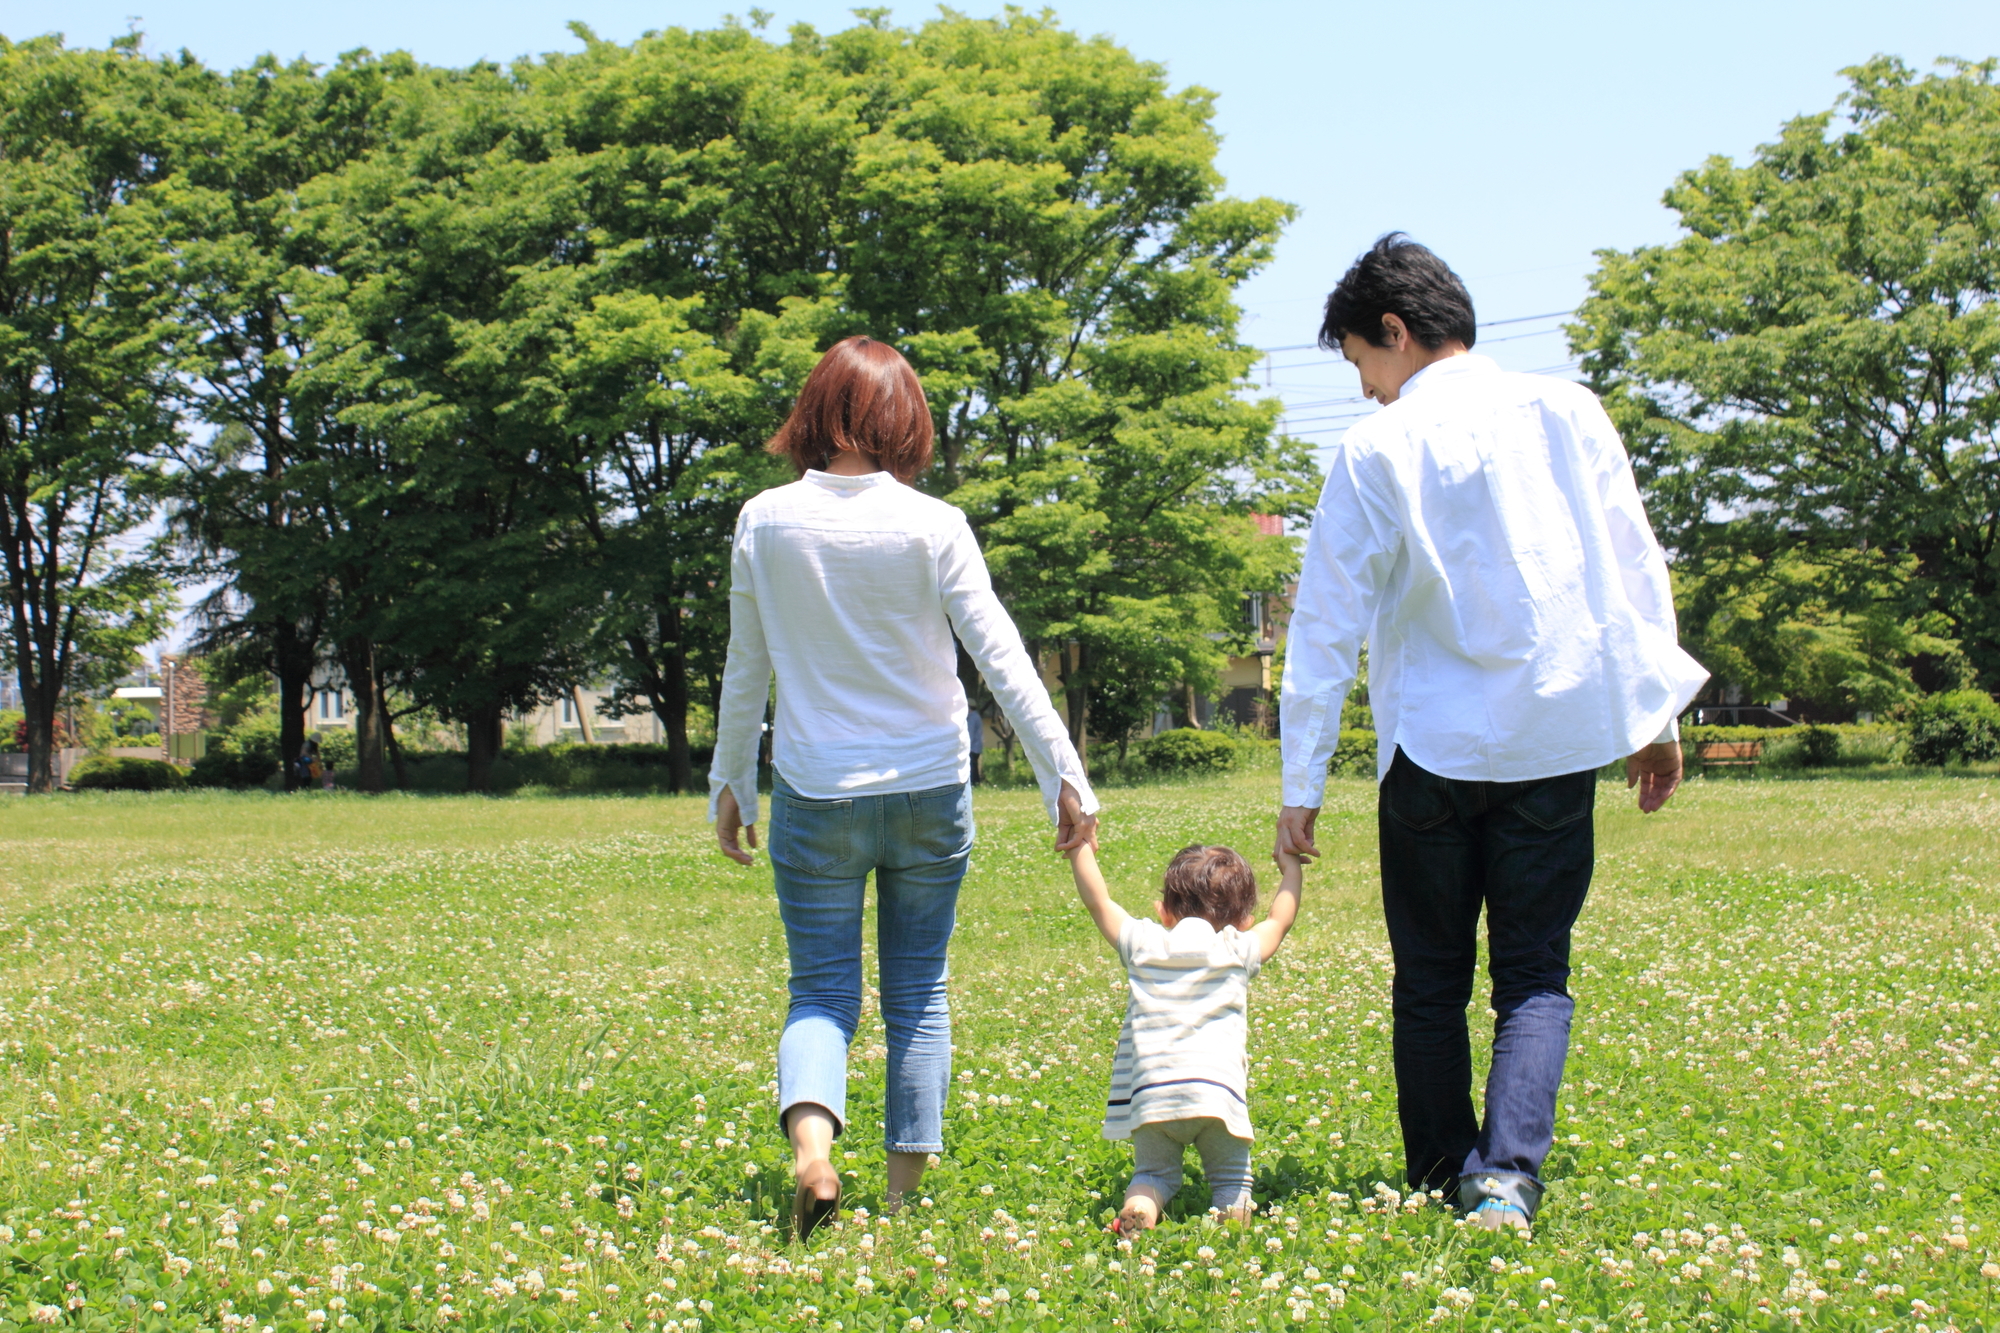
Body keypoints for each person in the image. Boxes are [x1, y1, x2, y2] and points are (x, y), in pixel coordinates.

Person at [1275, 234, 1708, 1233]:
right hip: (1552, 742)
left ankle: (1436, 1171)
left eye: (1359, 365)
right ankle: (1506, 1177)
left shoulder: (1375, 448)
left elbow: (1325, 622)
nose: (1368, 392)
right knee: (1533, 972)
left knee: (1428, 976)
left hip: (1427, 751)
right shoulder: (1567, 411)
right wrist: (1653, 719)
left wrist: (1302, 784)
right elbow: (1631, 568)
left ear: (1392, 330)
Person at [709, 336, 1099, 1242]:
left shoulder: (763, 520)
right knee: (919, 991)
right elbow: (1000, 655)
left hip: (817, 790)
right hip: (929, 786)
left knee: (819, 992)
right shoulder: (936, 523)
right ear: (905, 421)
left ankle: (813, 1153)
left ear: (816, 413)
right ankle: (902, 1203)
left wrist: (734, 779)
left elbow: (746, 664)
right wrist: (1061, 774)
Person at [1067, 840, 1303, 1233]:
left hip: (1152, 1094)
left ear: (1163, 911)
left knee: (1153, 1174)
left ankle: (1142, 1205)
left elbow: (1099, 903)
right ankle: (1233, 1233)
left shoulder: (1144, 943)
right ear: (1245, 920)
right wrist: (1291, 868)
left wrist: (1079, 849)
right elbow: (1281, 920)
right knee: (1231, 1182)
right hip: (1217, 1094)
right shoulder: (1237, 948)